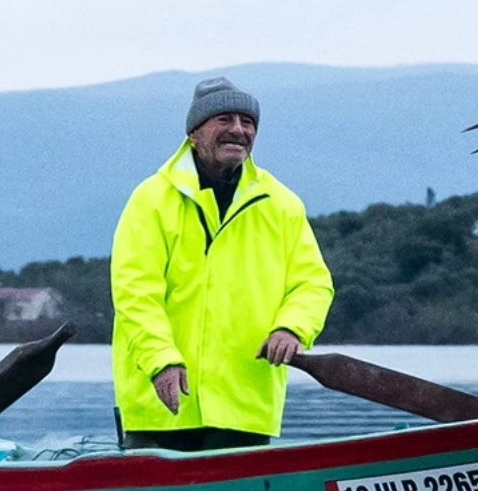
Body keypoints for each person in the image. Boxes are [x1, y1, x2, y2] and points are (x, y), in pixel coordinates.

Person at [111, 76, 335, 451]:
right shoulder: (150, 200)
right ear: (194, 133)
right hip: (162, 408)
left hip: (244, 406)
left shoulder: (282, 205)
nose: (238, 130)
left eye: (247, 122)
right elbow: (135, 294)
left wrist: (291, 328)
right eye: (224, 119)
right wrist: (160, 360)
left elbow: (313, 284)